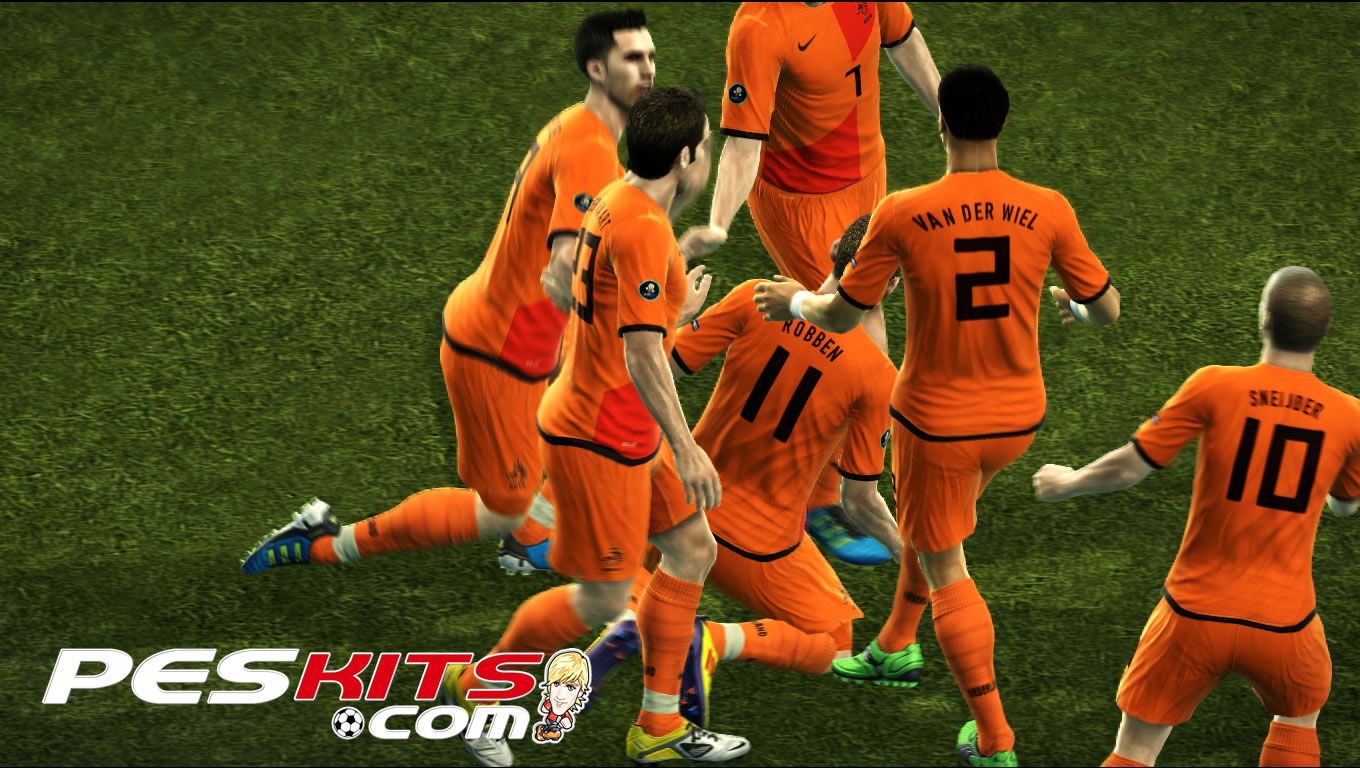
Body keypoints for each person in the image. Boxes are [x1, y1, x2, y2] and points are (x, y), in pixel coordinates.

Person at [753, 64, 1121, 767]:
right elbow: (1105, 308)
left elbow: (842, 314)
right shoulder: (1048, 207)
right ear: (1002, 124)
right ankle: (894, 644)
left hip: (937, 422)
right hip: (1016, 419)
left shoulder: (901, 211)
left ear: (942, 124)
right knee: (932, 527)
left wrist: (790, 301)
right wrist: (1071, 309)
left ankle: (994, 738)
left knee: (944, 556)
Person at [240, 10, 652, 575]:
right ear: (597, 68)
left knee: (581, 423)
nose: (647, 69)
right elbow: (564, 271)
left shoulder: (580, 128)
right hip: (499, 351)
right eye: (633, 58)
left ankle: (531, 536)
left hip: (518, 336)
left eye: (651, 57)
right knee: (502, 506)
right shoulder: (590, 149)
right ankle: (322, 541)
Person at [443, 85, 750, 766]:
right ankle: (478, 686)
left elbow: (606, 309)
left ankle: (658, 727)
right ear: (686, 157)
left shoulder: (616, 198)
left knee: (692, 550)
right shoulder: (643, 228)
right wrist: (688, 447)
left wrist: (671, 309)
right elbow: (640, 353)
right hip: (599, 434)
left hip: (621, 422)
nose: (708, 157)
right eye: (706, 146)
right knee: (601, 597)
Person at [539, 216, 904, 725]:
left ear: (832, 250)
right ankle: (713, 640)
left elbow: (657, 368)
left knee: (629, 567)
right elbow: (858, 499)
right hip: (761, 543)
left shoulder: (756, 298)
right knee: (835, 643)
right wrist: (908, 549)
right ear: (891, 285)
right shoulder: (879, 376)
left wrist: (674, 315)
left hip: (681, 503)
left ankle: (630, 618)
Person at [1032, 266, 1360, 768]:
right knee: (1299, 717)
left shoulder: (1214, 385)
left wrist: (1067, 482)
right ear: (1324, 330)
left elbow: (1129, 467)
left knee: (1135, 750)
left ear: (1263, 319)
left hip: (1193, 615)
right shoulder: (1351, 416)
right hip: (1286, 624)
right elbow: (1345, 504)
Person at [681, 1, 941, 557]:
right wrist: (720, 222)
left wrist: (946, 110)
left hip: (867, 175)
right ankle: (827, 498)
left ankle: (849, 478)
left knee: (862, 335)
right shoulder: (760, 28)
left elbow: (901, 37)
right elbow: (743, 141)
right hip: (802, 201)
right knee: (854, 340)